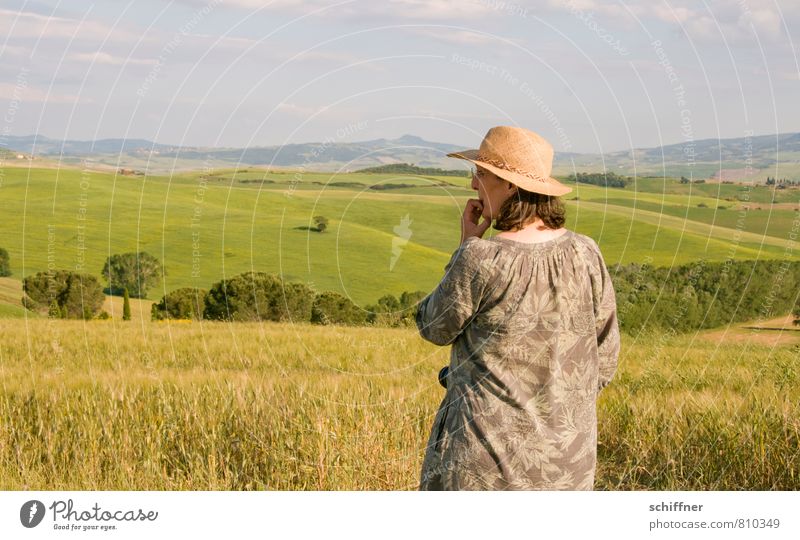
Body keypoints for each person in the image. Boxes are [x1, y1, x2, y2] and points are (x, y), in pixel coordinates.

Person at [415, 126, 620, 490]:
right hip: (568, 468)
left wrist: (464, 247)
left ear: (510, 185)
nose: (473, 185)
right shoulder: (586, 253)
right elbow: (605, 357)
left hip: (485, 469)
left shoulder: (481, 260)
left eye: (481, 174)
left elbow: (433, 326)